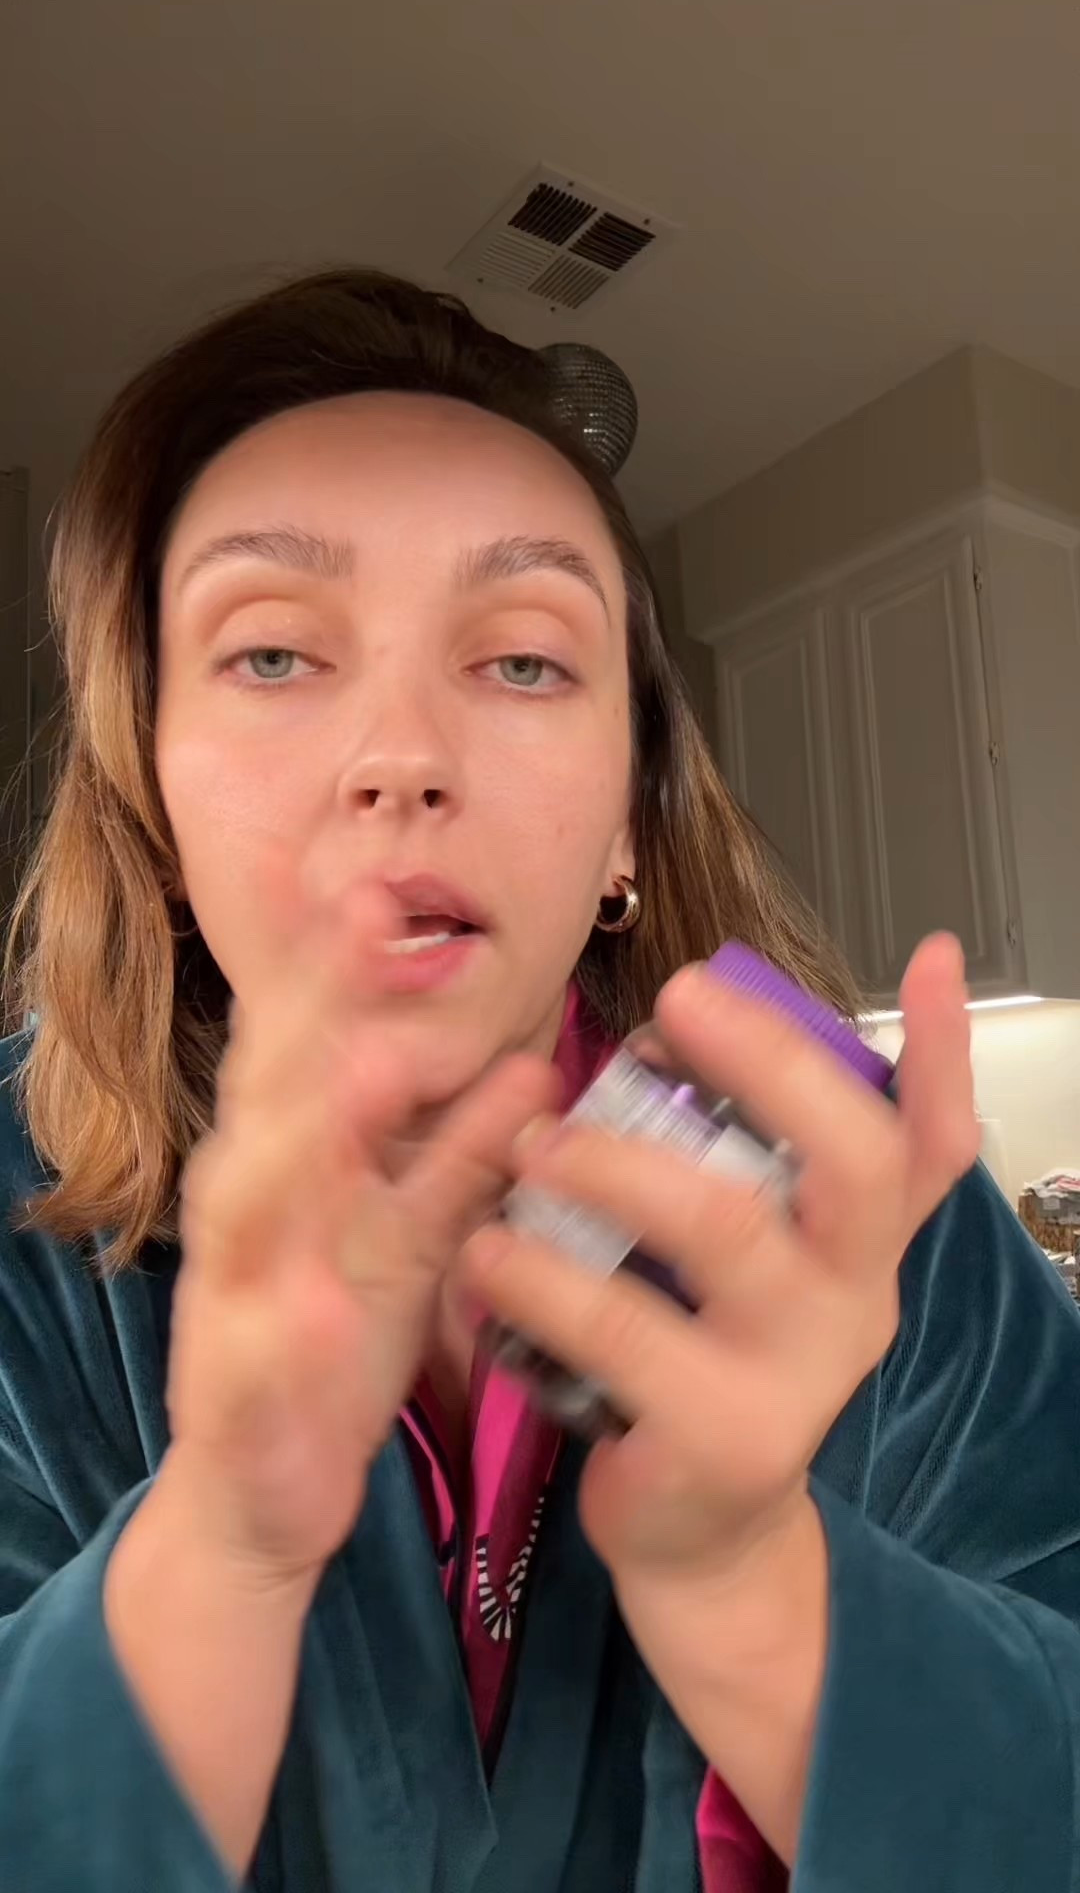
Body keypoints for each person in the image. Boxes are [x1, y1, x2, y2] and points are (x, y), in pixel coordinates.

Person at [1, 270, 1078, 1893]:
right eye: (274, 653)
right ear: (150, 816)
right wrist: (215, 1557)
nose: (403, 758)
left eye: (520, 662)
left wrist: (754, 1587)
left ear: (627, 826)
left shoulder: (865, 1186)